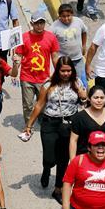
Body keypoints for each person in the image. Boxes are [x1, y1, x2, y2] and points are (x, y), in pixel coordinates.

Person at [22, 57, 86, 201]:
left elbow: (84, 103)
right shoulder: (48, 85)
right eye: (63, 70)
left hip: (69, 125)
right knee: (50, 157)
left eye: (69, 70)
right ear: (58, 71)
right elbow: (39, 105)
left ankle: (58, 189)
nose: (66, 73)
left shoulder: (77, 83)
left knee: (63, 159)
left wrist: (83, 97)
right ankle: (47, 168)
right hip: (50, 123)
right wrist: (29, 125)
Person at [15, 11, 60, 127]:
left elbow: (55, 57)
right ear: (31, 23)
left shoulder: (51, 37)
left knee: (43, 104)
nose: (39, 26)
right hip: (27, 77)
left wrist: (58, 74)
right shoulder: (24, 38)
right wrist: (16, 64)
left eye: (42, 23)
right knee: (28, 105)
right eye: (36, 23)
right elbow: (19, 56)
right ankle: (28, 126)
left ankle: (43, 124)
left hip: (43, 79)